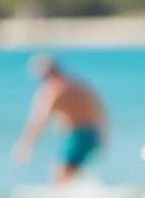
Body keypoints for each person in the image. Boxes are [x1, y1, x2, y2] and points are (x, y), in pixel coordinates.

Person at [11, 54, 107, 184]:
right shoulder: (77, 84)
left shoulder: (52, 91)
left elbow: (39, 120)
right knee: (71, 174)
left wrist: (26, 145)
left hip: (76, 136)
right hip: (91, 133)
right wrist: (103, 133)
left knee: (60, 176)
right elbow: (98, 108)